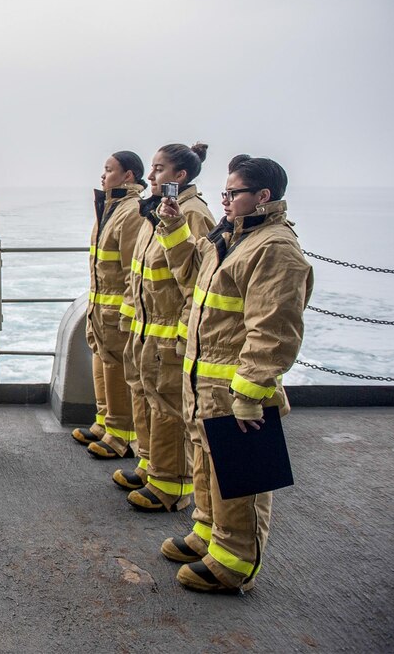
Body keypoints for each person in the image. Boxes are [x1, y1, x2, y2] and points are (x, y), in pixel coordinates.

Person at [156, 154, 313, 593]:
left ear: (262, 197)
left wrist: (250, 392)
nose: (224, 200)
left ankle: (235, 560)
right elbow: (189, 275)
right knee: (206, 462)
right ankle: (209, 533)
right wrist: (172, 227)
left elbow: (274, 329)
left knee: (239, 477)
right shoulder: (232, 237)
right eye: (223, 193)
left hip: (236, 387)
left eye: (233, 193)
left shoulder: (274, 248)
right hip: (205, 381)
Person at [116, 143, 215, 513]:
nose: (151, 176)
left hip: (167, 329)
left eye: (159, 169)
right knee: (146, 398)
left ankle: (172, 485)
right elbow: (138, 270)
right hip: (146, 326)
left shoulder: (193, 215)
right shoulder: (158, 212)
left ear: (180, 176)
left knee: (169, 408)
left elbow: (197, 283)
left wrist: (182, 335)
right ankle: (152, 466)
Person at [72, 152, 147, 462]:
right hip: (101, 306)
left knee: (117, 368)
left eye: (109, 170)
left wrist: (128, 312)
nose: (103, 176)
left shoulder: (130, 212)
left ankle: (121, 434)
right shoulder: (110, 207)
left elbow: (134, 269)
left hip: (117, 309)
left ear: (128, 176)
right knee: (102, 362)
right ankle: (105, 421)